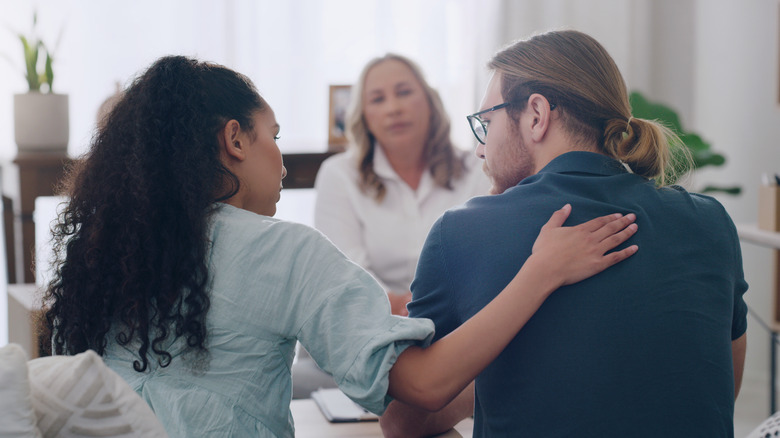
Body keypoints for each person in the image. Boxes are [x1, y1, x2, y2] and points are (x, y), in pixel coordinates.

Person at [42, 55, 637, 438]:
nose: (281, 162)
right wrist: (541, 271)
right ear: (234, 140)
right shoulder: (285, 253)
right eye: (273, 136)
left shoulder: (101, 254)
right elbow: (423, 386)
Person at [381, 30, 748, 438]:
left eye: (486, 123)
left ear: (536, 114)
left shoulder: (461, 232)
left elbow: (403, 422)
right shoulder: (711, 222)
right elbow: (716, 391)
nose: (481, 150)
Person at [314, 53, 490, 316]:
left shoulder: (477, 168)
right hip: (372, 319)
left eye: (404, 92)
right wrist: (397, 306)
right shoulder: (338, 174)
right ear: (364, 116)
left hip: (465, 316)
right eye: (377, 99)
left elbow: (488, 257)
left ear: (431, 102)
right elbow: (344, 269)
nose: (393, 108)